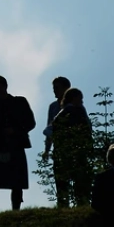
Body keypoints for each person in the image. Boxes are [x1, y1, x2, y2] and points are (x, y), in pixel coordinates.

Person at [0, 75, 36, 213]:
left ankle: (16, 211)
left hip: (16, 144)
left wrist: (15, 130)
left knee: (16, 181)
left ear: (5, 86)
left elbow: (31, 123)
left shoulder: (20, 102)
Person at [50, 87, 95, 207]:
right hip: (77, 151)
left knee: (63, 183)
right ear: (74, 98)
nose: (82, 102)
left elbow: (53, 131)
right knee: (80, 181)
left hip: (63, 151)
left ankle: (63, 207)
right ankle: (82, 204)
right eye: (80, 99)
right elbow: (86, 130)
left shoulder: (61, 114)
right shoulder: (78, 111)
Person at [43, 76, 73, 207]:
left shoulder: (74, 105)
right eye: (53, 88)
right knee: (60, 179)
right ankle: (63, 205)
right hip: (59, 147)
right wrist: (47, 150)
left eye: (57, 88)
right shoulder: (53, 107)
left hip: (73, 146)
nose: (54, 91)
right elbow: (50, 129)